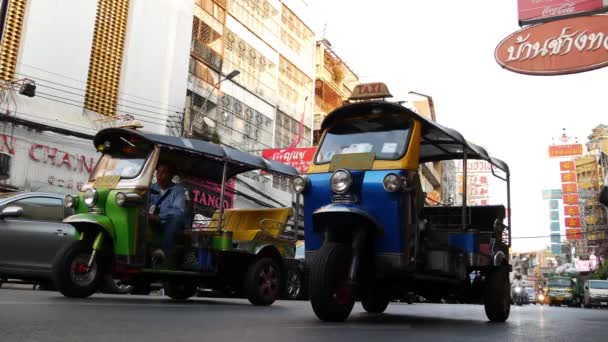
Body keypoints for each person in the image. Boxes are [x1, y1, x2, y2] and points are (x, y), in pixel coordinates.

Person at [149, 162, 186, 265]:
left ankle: (163, 252)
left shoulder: (178, 190)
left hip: (169, 222)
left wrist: (159, 217)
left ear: (171, 176)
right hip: (152, 220)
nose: (159, 175)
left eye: (164, 172)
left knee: (176, 219)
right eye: (158, 172)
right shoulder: (152, 188)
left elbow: (178, 210)